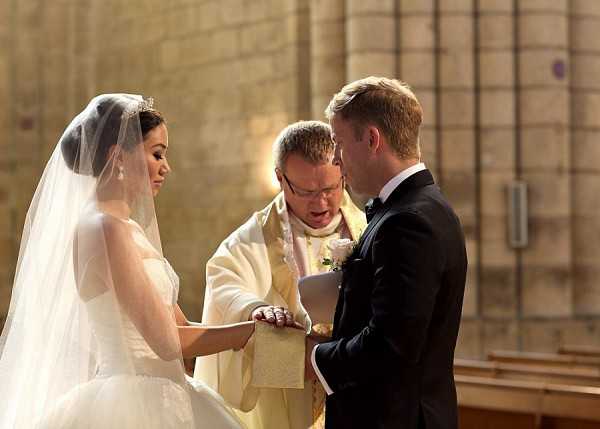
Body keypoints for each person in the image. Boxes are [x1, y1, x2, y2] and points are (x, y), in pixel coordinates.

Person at [0, 94, 256, 428]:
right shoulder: (105, 229)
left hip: (167, 391)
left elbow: (181, 327)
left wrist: (256, 323)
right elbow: (167, 344)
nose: (167, 167)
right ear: (118, 157)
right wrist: (251, 334)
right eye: (157, 154)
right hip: (132, 405)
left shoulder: (125, 228)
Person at [310, 77, 468, 428]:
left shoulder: (409, 222)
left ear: (371, 139)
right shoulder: (419, 208)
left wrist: (317, 357)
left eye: (338, 143)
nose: (336, 159)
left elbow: (390, 345)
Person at [194, 121, 366, 429]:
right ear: (280, 178)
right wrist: (255, 309)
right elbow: (225, 283)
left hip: (358, 387)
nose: (321, 203)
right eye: (306, 191)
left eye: (330, 188)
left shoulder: (367, 230)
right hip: (288, 396)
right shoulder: (252, 239)